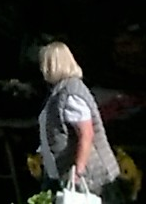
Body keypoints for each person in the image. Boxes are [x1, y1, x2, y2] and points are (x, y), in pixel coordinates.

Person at [37, 42, 122, 204]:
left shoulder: (71, 93)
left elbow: (86, 134)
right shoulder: (60, 91)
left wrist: (78, 171)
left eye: (44, 64)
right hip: (67, 174)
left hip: (91, 178)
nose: (42, 69)